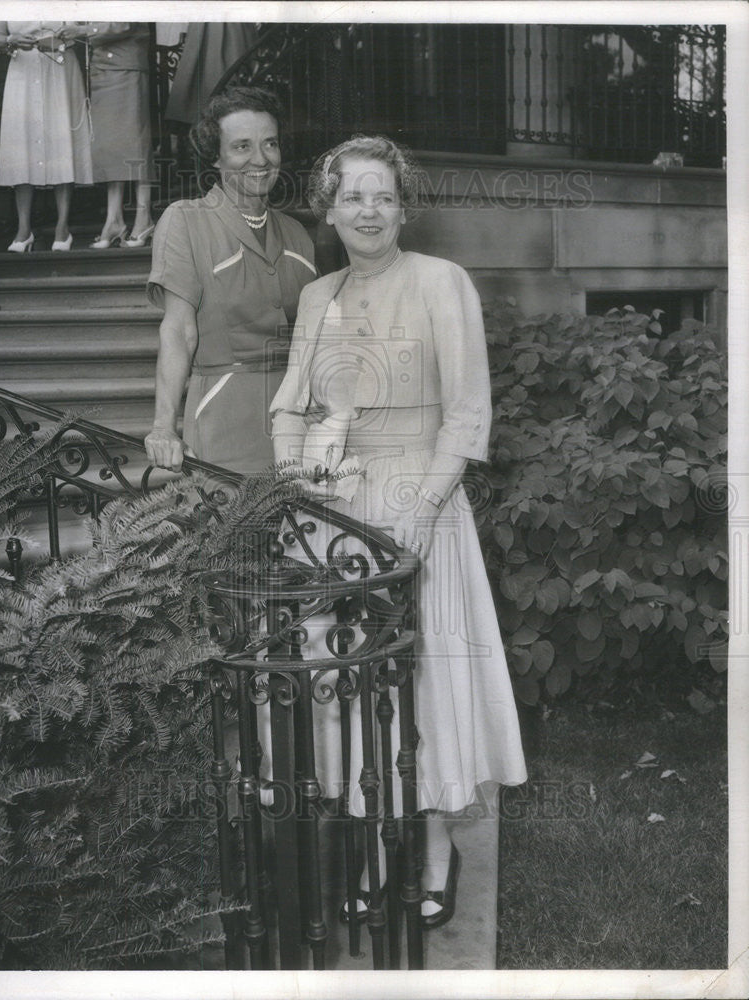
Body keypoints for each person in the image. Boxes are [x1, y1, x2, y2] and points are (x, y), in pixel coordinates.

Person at [270, 135, 527, 928]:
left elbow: (467, 408)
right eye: (352, 196)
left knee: (425, 684)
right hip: (340, 516)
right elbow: (290, 404)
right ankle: (379, 855)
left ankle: (437, 860)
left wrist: (416, 512)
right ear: (330, 209)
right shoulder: (318, 297)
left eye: (382, 196)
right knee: (351, 692)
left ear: (403, 207)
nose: (368, 211)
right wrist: (295, 486)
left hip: (421, 508)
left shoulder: (441, 283)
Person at [144, 87, 317, 474]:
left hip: (299, 427)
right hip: (223, 423)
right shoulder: (186, 220)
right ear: (215, 156)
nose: (260, 159)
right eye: (242, 147)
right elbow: (178, 330)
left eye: (269, 144)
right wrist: (162, 426)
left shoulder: (298, 234)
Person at [0, 21, 93, 252]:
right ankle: (24, 229)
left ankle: (62, 227)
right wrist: (11, 40)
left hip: (60, 66)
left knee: (62, 138)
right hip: (22, 71)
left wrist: (72, 32)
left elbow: (89, 28)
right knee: (21, 141)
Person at [57, 22, 156, 249]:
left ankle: (144, 218)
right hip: (103, 67)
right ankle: (114, 220)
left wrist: (82, 30)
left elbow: (124, 22)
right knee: (110, 146)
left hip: (125, 66)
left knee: (136, 143)